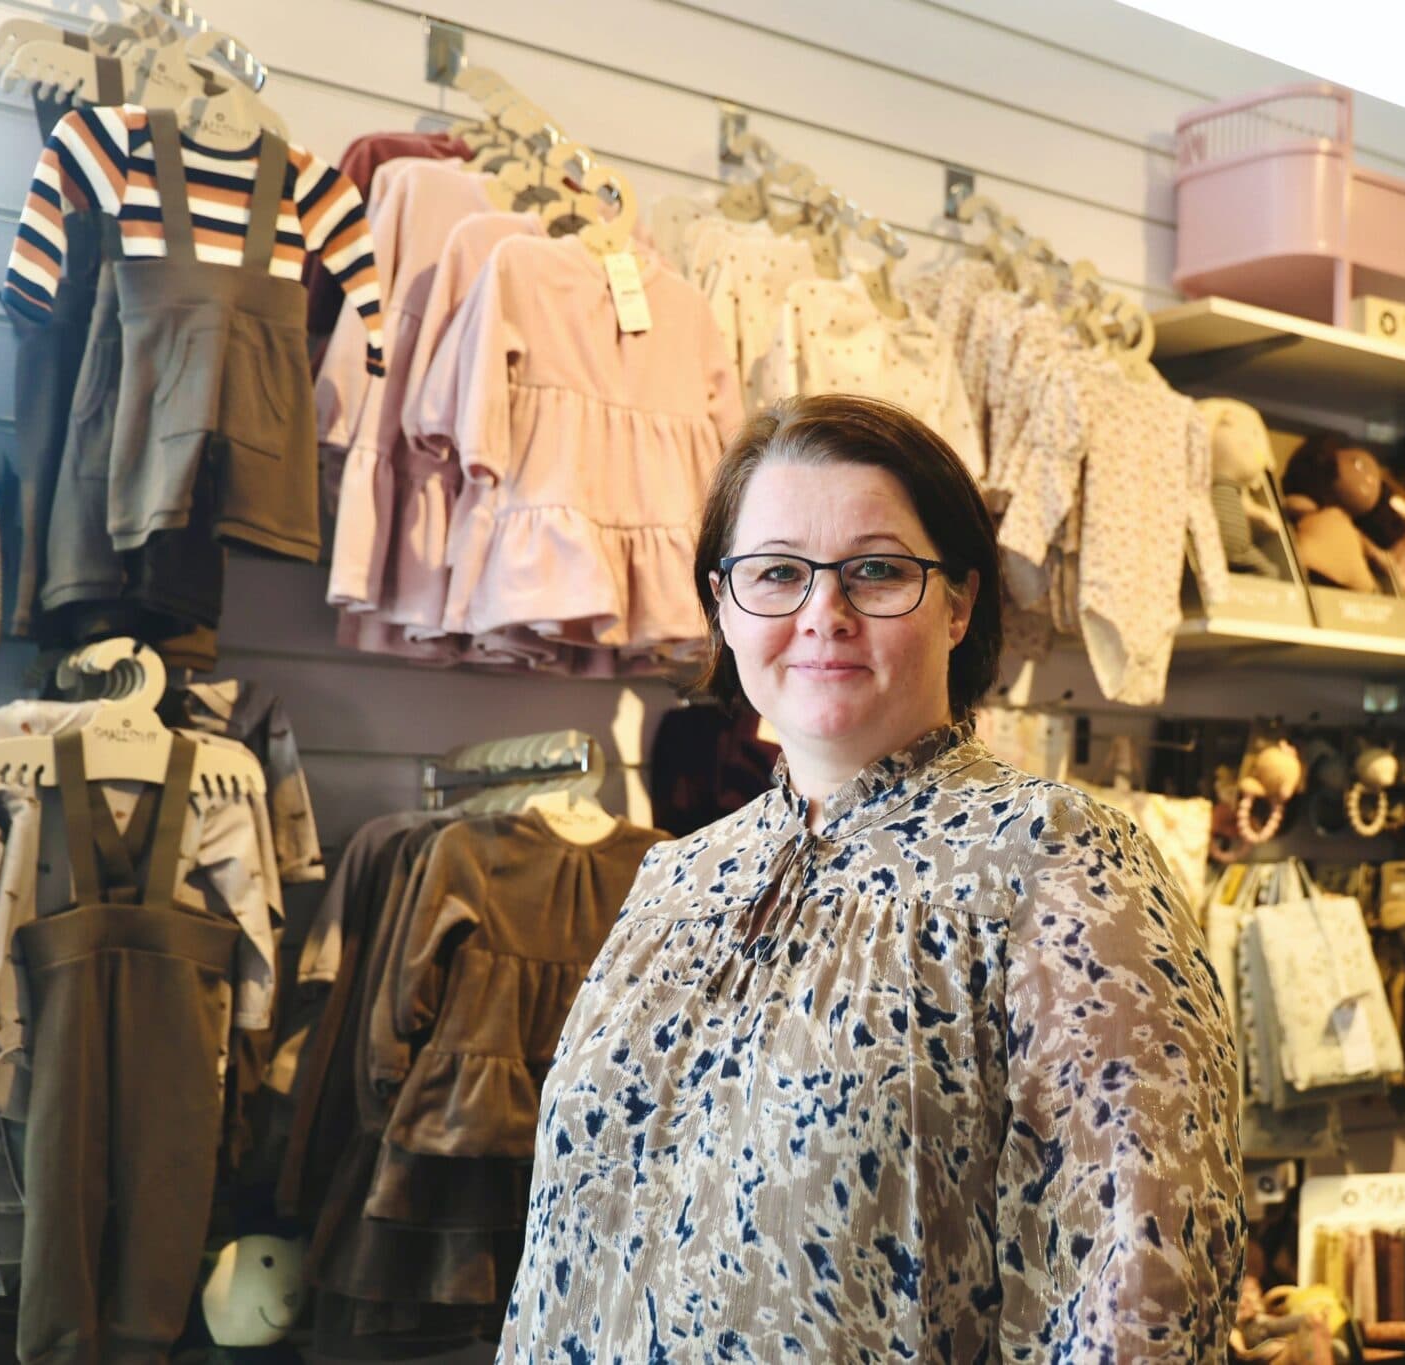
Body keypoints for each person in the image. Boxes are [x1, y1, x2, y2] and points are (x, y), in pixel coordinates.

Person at [496, 394, 1245, 1362]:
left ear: (958, 602)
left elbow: (1142, 1279)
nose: (824, 614)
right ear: (723, 604)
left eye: (877, 571)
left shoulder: (1056, 862)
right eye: (777, 572)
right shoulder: (675, 880)